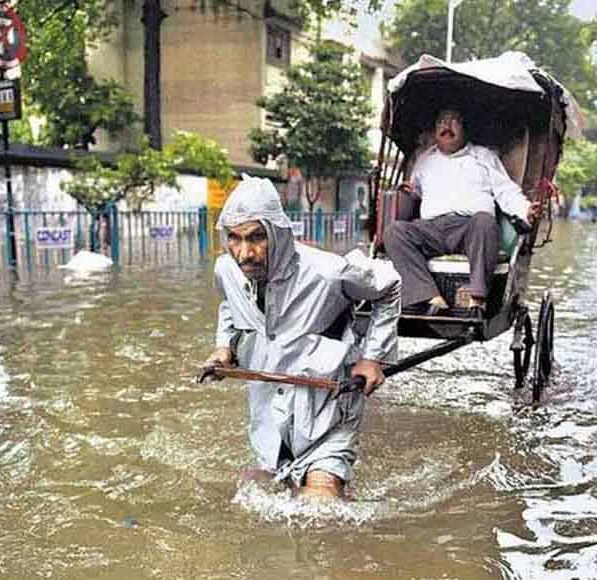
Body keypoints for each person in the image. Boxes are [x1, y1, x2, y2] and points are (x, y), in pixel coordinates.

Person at [200, 176, 401, 500]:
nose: (244, 253)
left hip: (328, 407)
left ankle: (331, 480)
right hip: (268, 409)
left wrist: (372, 358)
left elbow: (389, 286)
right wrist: (225, 347)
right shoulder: (227, 270)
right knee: (262, 496)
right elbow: (229, 307)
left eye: (256, 238)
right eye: (234, 239)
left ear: (277, 234)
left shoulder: (327, 272)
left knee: (319, 504)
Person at [384, 108, 541, 316]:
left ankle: (477, 300)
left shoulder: (484, 156)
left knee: (484, 221)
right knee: (394, 232)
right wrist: (407, 192)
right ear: (435, 129)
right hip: (432, 230)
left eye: (453, 121)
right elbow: (415, 192)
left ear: (464, 129)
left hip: (471, 228)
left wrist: (526, 210)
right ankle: (431, 298)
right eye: (441, 122)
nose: (446, 126)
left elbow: (506, 192)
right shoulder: (424, 160)